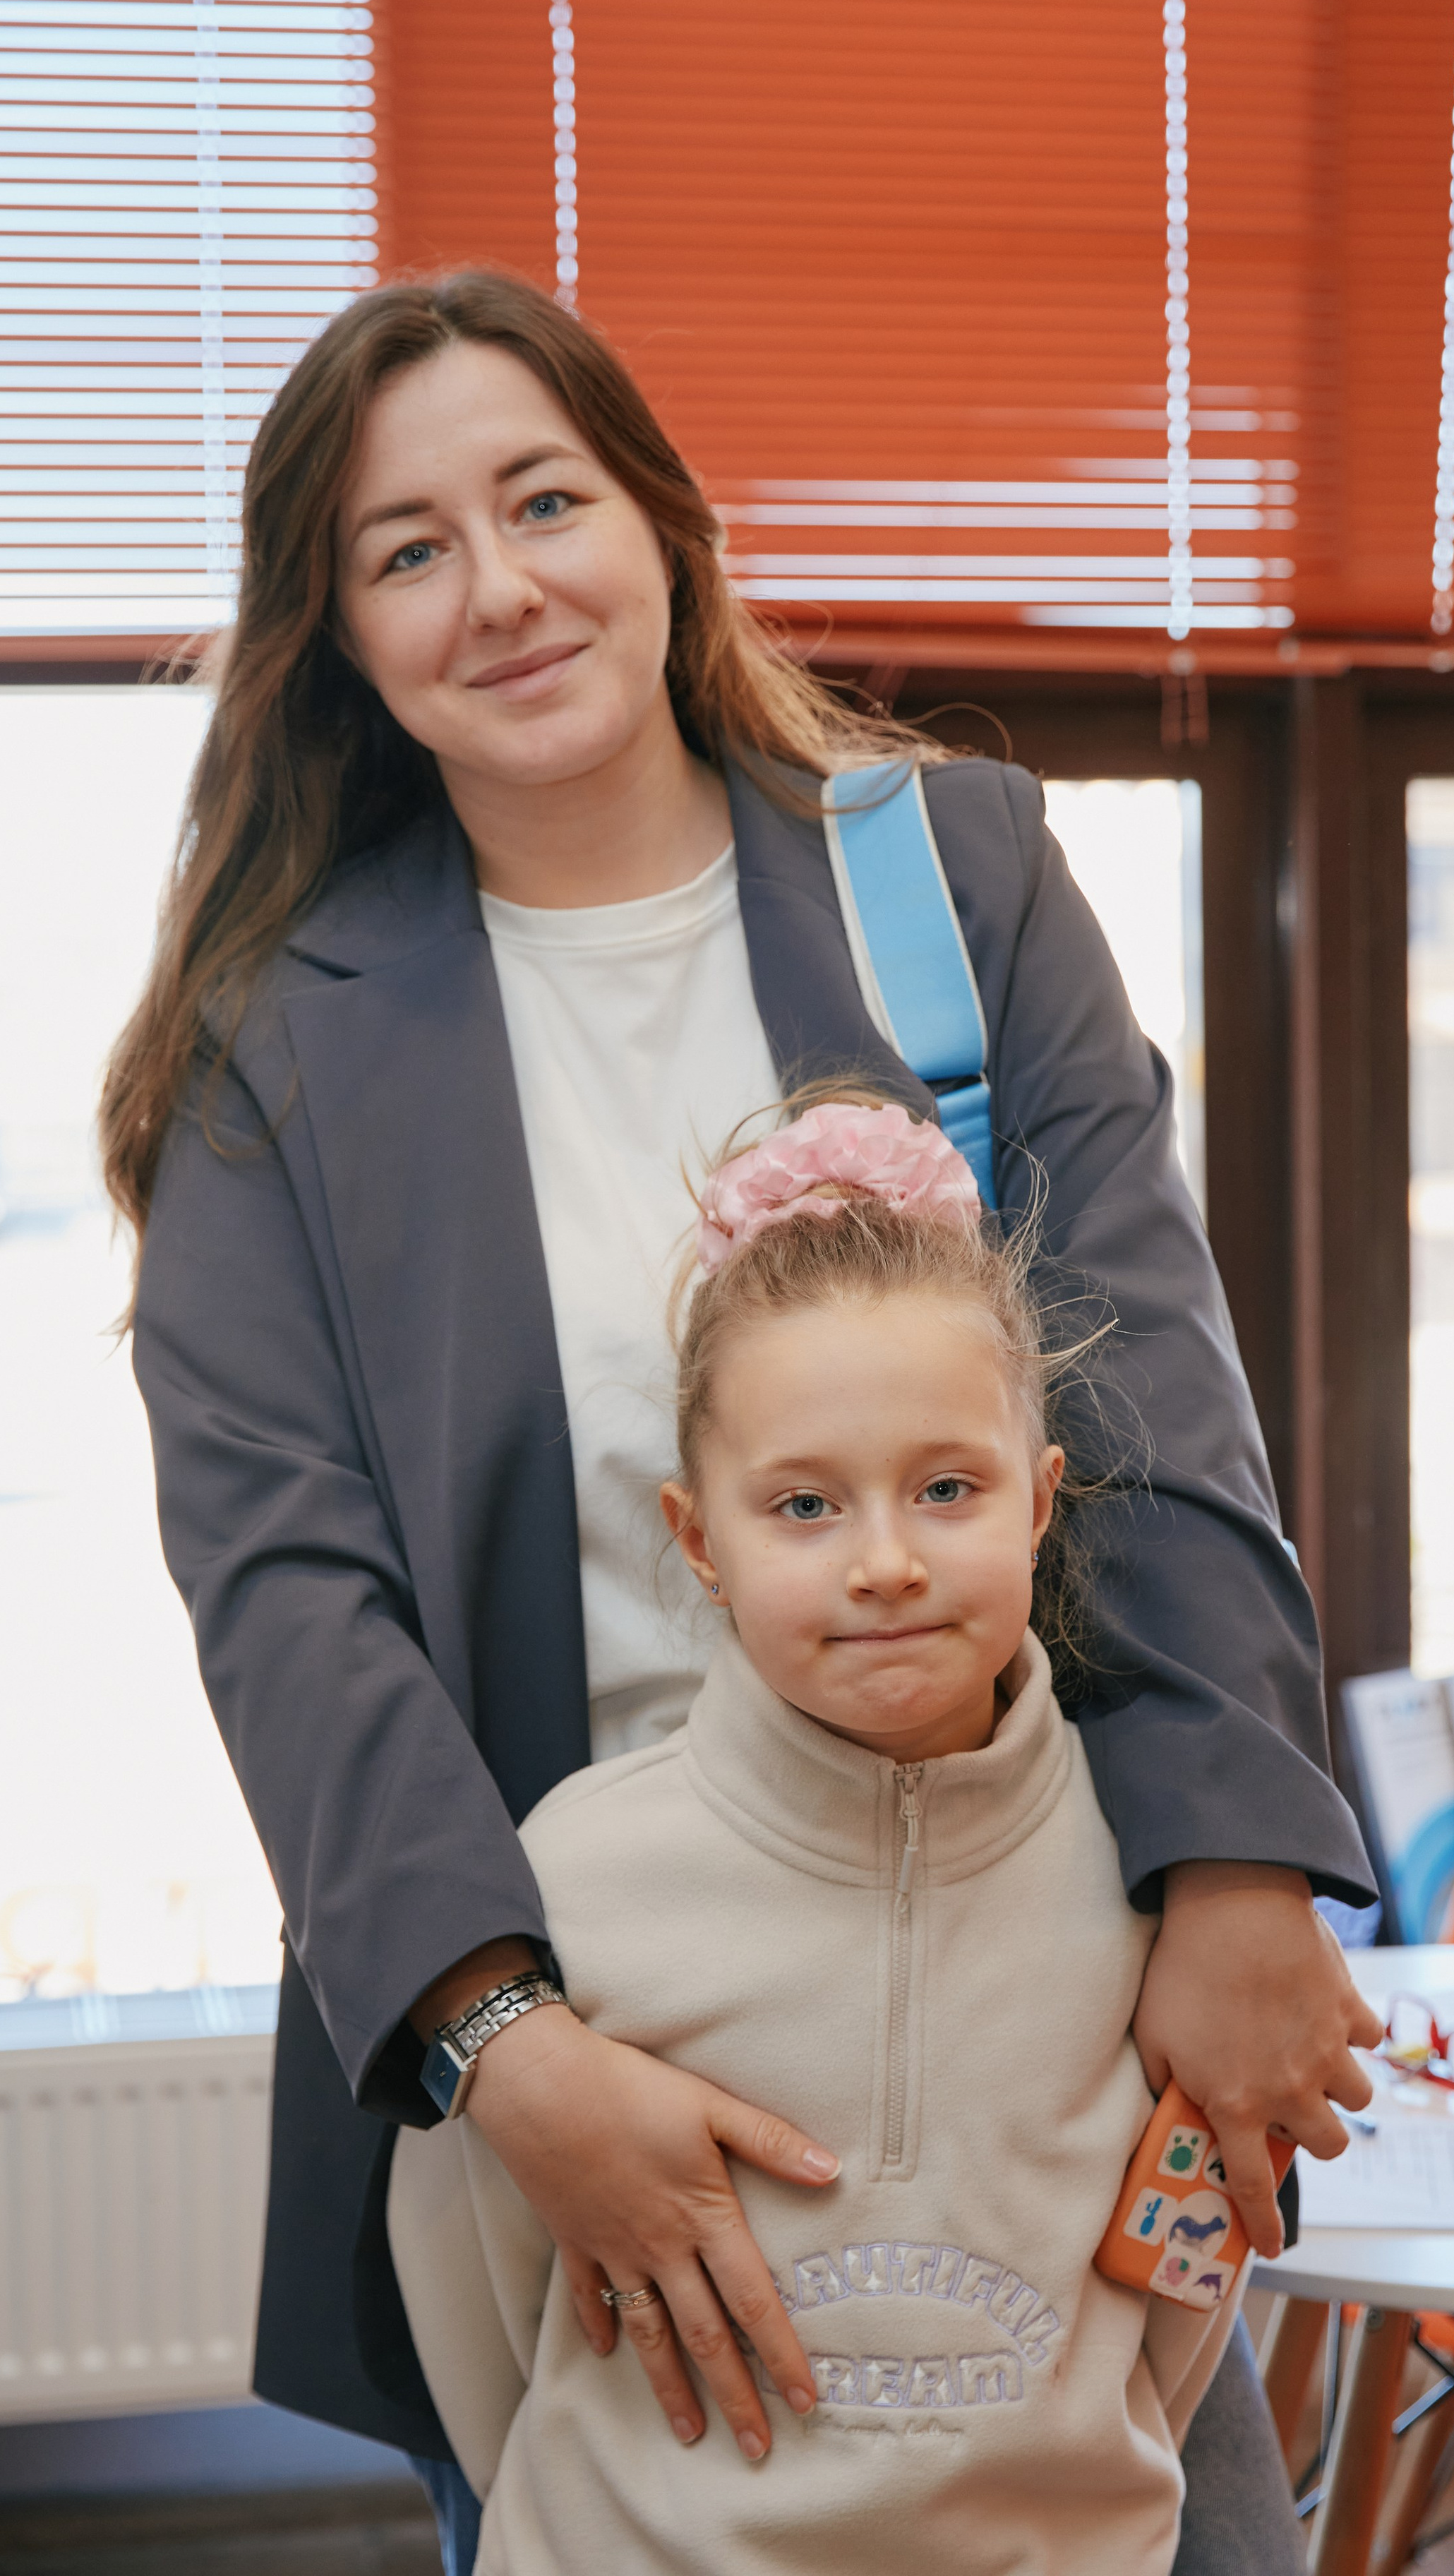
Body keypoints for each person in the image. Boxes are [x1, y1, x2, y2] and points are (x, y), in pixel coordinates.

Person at [101, 269, 1379, 2573]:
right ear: (342, 639)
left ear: (663, 524)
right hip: (598, 2040)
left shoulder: (949, 877)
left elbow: (1154, 1394)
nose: (498, 589)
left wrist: (1240, 1860)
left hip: (1026, 1984)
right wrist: (507, 2054)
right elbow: (290, 1596)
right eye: (406, 551)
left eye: (543, 499)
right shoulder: (271, 1043)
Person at [387, 1094, 1261, 2572]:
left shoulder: (1147, 1872)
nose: (882, 1561)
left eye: (944, 1488)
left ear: (1039, 1504)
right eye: (803, 1505)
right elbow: (476, 2290)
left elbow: (1183, 2290)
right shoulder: (570, 1877)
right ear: (697, 1541)